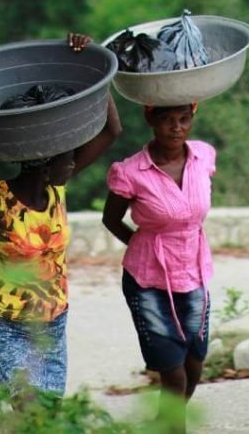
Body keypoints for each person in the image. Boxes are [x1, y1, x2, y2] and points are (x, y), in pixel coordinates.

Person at [0, 34, 123, 395]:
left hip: (52, 328)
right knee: (29, 404)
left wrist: (93, 73)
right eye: (69, 156)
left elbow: (112, 130)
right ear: (47, 163)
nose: (74, 163)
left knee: (45, 417)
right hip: (5, 327)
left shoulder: (56, 188)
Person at [102, 102, 214, 432]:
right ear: (151, 120)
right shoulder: (131, 172)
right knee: (173, 371)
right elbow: (111, 219)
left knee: (194, 363)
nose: (176, 127)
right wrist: (145, 247)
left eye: (184, 119)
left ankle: (163, 424)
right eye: (167, 120)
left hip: (194, 273)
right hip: (148, 281)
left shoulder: (203, 156)